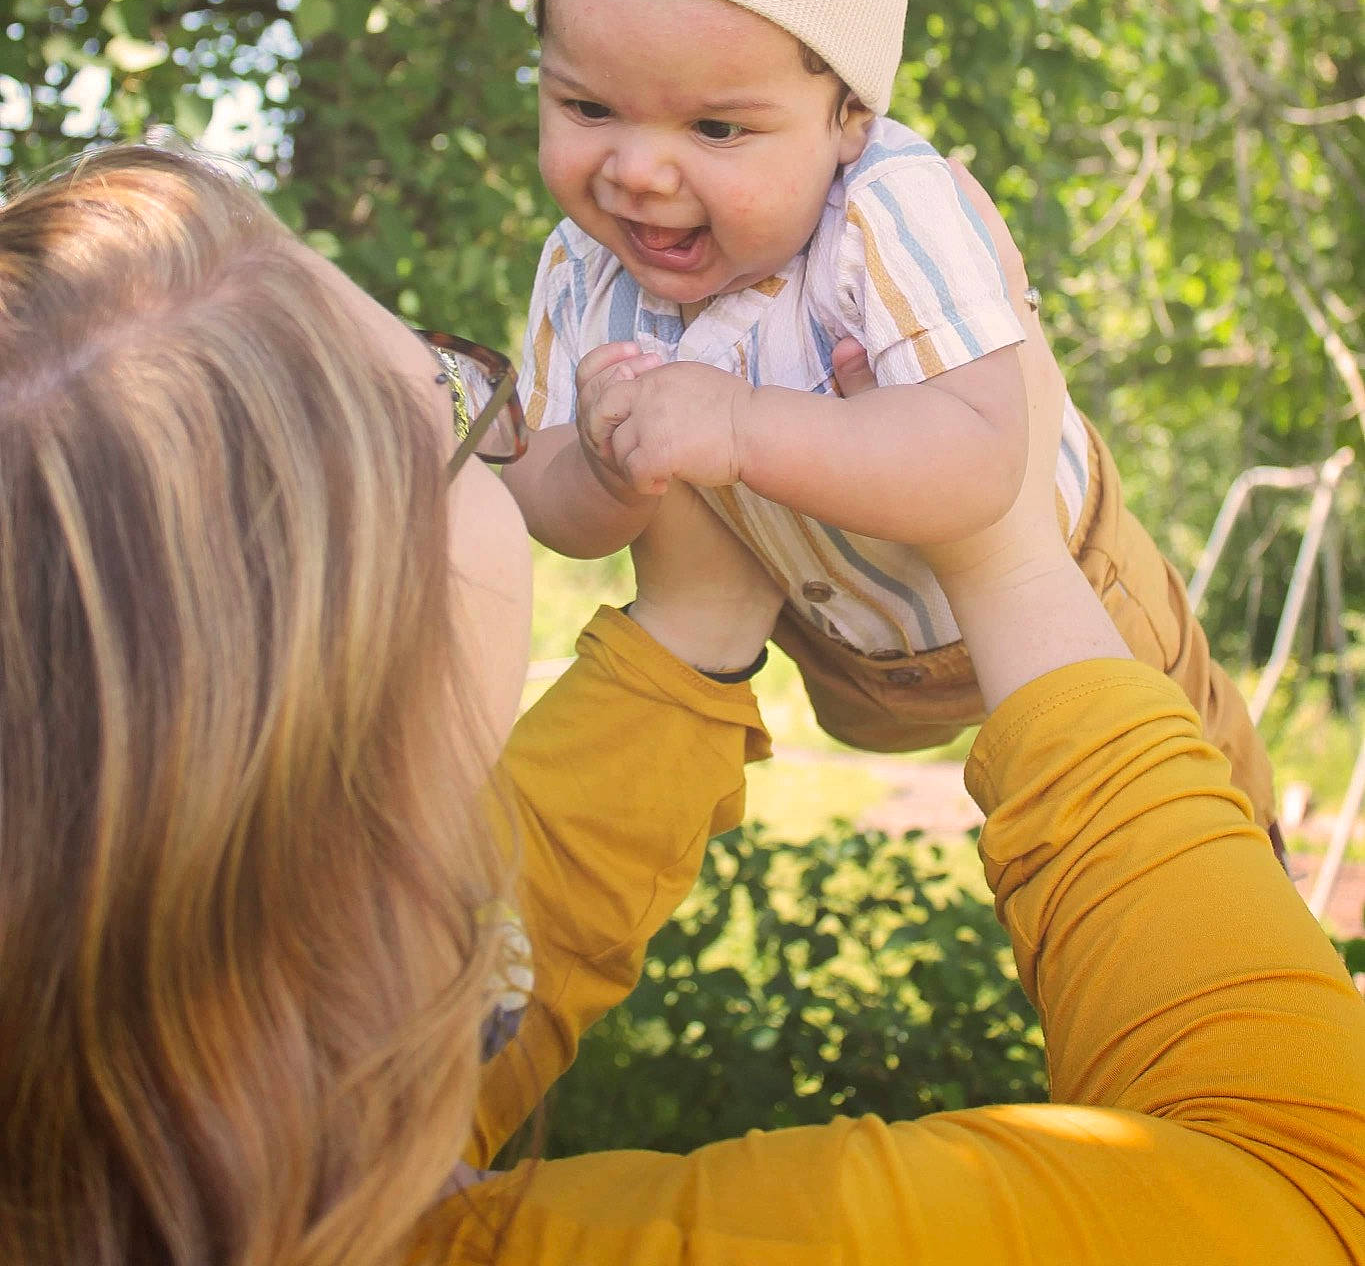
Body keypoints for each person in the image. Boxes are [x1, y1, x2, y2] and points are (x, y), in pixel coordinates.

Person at [1, 140, 1361, 1266]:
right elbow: (1312, 1188)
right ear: (342, 696)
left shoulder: (169, 1169)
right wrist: (1002, 547)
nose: (491, 415)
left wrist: (693, 626)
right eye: (451, 397)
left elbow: (346, 1037)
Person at [502, 0, 1279, 837]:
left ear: (850, 115)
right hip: (851, 659)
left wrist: (740, 424)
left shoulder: (889, 205)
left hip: (1066, 582)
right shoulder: (580, 270)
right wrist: (599, 468)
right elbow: (541, 493)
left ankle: (1272, 915)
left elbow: (981, 461)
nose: (637, 174)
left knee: (1188, 781)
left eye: (715, 129)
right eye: (588, 104)